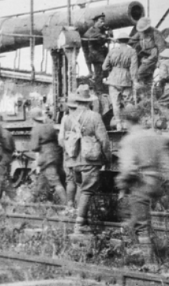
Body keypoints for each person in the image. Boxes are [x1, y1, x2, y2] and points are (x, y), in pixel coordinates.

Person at [116, 105, 169, 264]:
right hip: (156, 184)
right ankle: (151, 249)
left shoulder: (129, 140)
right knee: (139, 219)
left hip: (140, 184)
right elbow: (168, 165)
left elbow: (128, 168)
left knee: (140, 224)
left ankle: (150, 263)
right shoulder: (154, 136)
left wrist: (121, 184)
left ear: (126, 121)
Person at [70, 93, 111, 233]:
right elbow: (104, 140)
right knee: (87, 190)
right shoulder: (94, 116)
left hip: (75, 158)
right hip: (90, 158)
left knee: (80, 187)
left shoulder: (70, 116)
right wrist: (107, 157)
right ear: (89, 102)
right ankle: (80, 224)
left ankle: (78, 217)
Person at [29, 107, 67, 204]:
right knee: (40, 183)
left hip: (47, 158)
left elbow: (34, 147)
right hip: (56, 156)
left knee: (55, 182)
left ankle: (68, 207)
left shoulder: (36, 129)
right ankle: (30, 204)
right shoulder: (50, 126)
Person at [102, 32, 139, 131]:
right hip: (126, 79)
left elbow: (104, 67)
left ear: (118, 41)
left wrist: (113, 68)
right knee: (128, 103)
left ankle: (118, 124)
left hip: (113, 79)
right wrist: (134, 80)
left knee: (115, 103)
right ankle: (127, 123)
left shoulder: (112, 51)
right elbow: (133, 68)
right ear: (127, 40)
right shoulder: (132, 51)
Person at [129, 17, 166, 95]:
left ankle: (142, 90)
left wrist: (160, 62)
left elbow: (161, 48)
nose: (142, 32)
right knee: (147, 78)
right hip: (143, 56)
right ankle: (147, 94)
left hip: (152, 57)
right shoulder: (140, 32)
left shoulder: (155, 33)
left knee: (139, 73)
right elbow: (132, 40)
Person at [58, 96, 80, 211]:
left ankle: (70, 206)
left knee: (70, 180)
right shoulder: (83, 117)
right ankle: (80, 208)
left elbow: (60, 139)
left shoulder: (65, 119)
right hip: (82, 156)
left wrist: (68, 149)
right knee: (81, 182)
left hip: (70, 156)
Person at [83, 13, 112, 94]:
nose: (102, 23)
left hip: (103, 55)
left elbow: (109, 37)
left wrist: (109, 31)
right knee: (99, 75)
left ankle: (101, 89)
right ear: (95, 21)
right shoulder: (91, 30)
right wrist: (100, 36)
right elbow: (87, 36)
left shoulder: (102, 30)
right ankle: (99, 91)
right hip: (96, 56)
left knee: (104, 74)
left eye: (103, 21)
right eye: (101, 21)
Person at [0, 118, 16, 200]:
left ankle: (15, 199)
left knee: (1, 181)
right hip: (7, 158)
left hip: (0, 159)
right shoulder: (8, 133)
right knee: (4, 179)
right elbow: (13, 148)